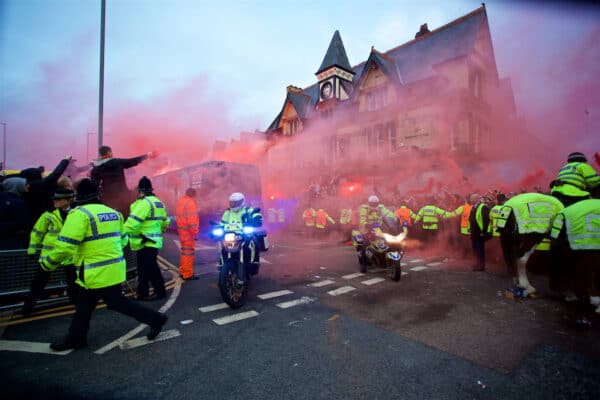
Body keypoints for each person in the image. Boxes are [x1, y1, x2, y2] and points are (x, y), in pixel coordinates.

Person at [43, 179, 167, 351]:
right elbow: (123, 240)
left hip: (93, 272)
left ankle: (155, 319)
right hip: (113, 270)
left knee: (108, 304)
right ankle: (76, 338)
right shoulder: (113, 213)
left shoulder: (79, 214)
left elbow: (65, 246)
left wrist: (46, 264)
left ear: (78, 196)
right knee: (86, 306)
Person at [23, 188, 78, 315]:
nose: (55, 201)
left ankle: (75, 302)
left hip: (68, 253)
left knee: (73, 280)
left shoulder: (77, 213)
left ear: (68, 200)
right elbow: (37, 232)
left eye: (58, 199)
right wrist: (32, 249)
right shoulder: (48, 214)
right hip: (50, 254)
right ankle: (28, 307)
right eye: (55, 199)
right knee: (39, 282)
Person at [125, 176, 170, 301]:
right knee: (144, 268)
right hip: (152, 241)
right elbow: (165, 221)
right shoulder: (158, 202)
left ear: (141, 191)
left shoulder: (144, 203)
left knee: (150, 268)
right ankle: (142, 293)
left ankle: (159, 291)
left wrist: (120, 233)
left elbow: (132, 223)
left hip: (144, 241)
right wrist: (160, 231)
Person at [90, 146, 157, 214]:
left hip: (107, 198)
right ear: (108, 153)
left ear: (100, 154)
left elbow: (94, 186)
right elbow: (133, 161)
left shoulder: (96, 169)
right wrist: (148, 155)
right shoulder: (117, 162)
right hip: (122, 197)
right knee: (125, 216)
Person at [219, 192, 263, 268]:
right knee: (221, 246)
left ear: (242, 201)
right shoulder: (227, 212)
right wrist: (218, 227)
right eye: (232, 203)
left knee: (254, 243)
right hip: (230, 235)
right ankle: (222, 264)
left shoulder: (248, 210)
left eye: (236, 203)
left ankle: (254, 263)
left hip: (244, 234)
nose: (233, 204)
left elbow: (256, 214)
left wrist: (257, 219)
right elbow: (222, 223)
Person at [0, 177, 31, 250]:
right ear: (17, 186)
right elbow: (23, 222)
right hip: (13, 240)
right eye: (25, 184)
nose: (28, 186)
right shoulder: (17, 202)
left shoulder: (3, 198)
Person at [175, 188, 200, 280]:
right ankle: (187, 274)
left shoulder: (181, 201)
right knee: (188, 254)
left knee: (184, 253)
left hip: (182, 232)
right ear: (193, 195)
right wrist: (195, 233)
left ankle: (183, 271)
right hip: (189, 233)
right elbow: (192, 221)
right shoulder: (190, 203)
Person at [469, 194, 491, 271]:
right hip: (474, 232)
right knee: (475, 249)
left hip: (480, 233)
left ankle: (481, 266)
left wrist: (484, 232)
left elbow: (486, 221)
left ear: (477, 199)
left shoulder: (483, 207)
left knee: (480, 249)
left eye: (472, 199)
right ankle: (477, 264)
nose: (470, 200)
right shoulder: (473, 207)